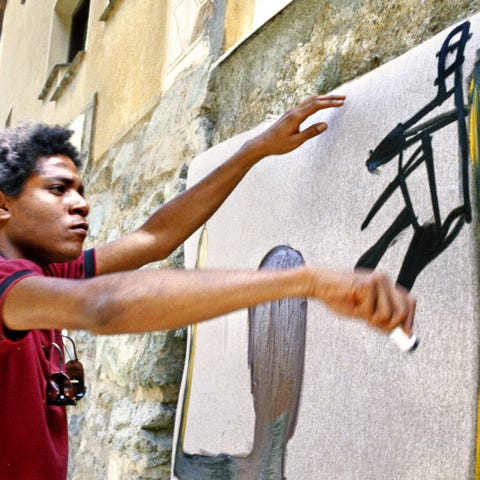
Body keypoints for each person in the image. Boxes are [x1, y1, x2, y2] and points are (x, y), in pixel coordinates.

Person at [0, 95, 415, 479]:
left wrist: (254, 150)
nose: (81, 203)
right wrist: (308, 281)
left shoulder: (51, 273)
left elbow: (155, 238)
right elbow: (102, 306)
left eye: (80, 190)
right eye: (58, 189)